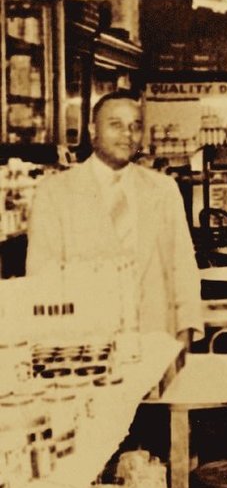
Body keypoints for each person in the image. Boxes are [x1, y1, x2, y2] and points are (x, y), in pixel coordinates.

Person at [26, 90, 202, 347]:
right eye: (116, 125)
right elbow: (42, 279)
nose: (127, 134)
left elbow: (183, 266)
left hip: (156, 340)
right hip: (87, 346)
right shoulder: (54, 193)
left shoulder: (163, 189)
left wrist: (185, 332)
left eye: (135, 126)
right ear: (92, 130)